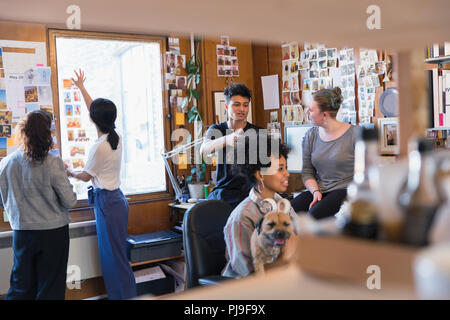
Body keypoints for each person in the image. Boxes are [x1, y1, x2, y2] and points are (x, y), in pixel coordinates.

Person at [68, 69, 137, 300]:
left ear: (94, 119)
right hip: (114, 200)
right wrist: (81, 87)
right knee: (114, 256)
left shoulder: (100, 146)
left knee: (113, 258)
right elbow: (94, 110)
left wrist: (67, 171)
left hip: (108, 202)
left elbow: (86, 177)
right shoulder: (113, 138)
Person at [0, 110, 77, 300]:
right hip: (53, 233)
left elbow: (2, 201)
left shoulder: (6, 162)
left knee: (20, 287)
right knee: (50, 288)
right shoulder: (52, 162)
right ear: (47, 134)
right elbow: (70, 201)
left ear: (22, 132)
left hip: (22, 231)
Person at [222, 135, 297, 278]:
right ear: (260, 175)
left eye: (286, 168)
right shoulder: (242, 217)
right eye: (280, 169)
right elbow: (247, 271)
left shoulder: (283, 207)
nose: (287, 174)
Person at [291, 87, 358, 219]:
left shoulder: (355, 134)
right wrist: (315, 191)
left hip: (346, 190)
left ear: (324, 115)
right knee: (289, 211)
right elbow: (307, 172)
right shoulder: (310, 136)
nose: (307, 112)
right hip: (321, 189)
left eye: (311, 109)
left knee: (313, 216)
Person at [200, 83, 262, 209]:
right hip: (224, 193)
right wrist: (226, 139)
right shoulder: (217, 129)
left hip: (249, 194)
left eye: (245, 105)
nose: (242, 109)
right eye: (236, 104)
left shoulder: (258, 132)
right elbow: (204, 150)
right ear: (227, 106)